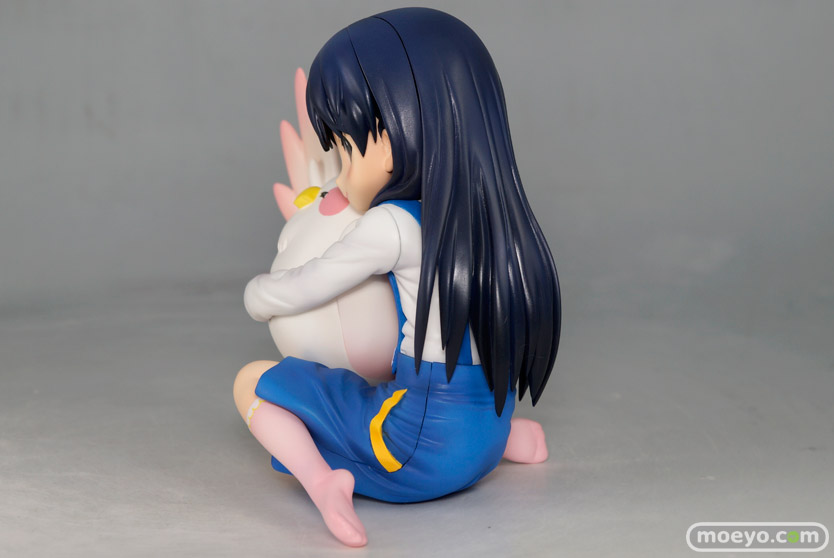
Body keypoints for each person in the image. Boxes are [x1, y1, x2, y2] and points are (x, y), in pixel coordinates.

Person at [233, 8, 561, 547]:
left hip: (417, 449)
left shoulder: (393, 224)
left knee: (252, 380)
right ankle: (509, 442)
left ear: (400, 130)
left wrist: (258, 295)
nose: (342, 174)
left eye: (347, 148)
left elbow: (312, 282)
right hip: (488, 431)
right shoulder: (496, 220)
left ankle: (323, 483)